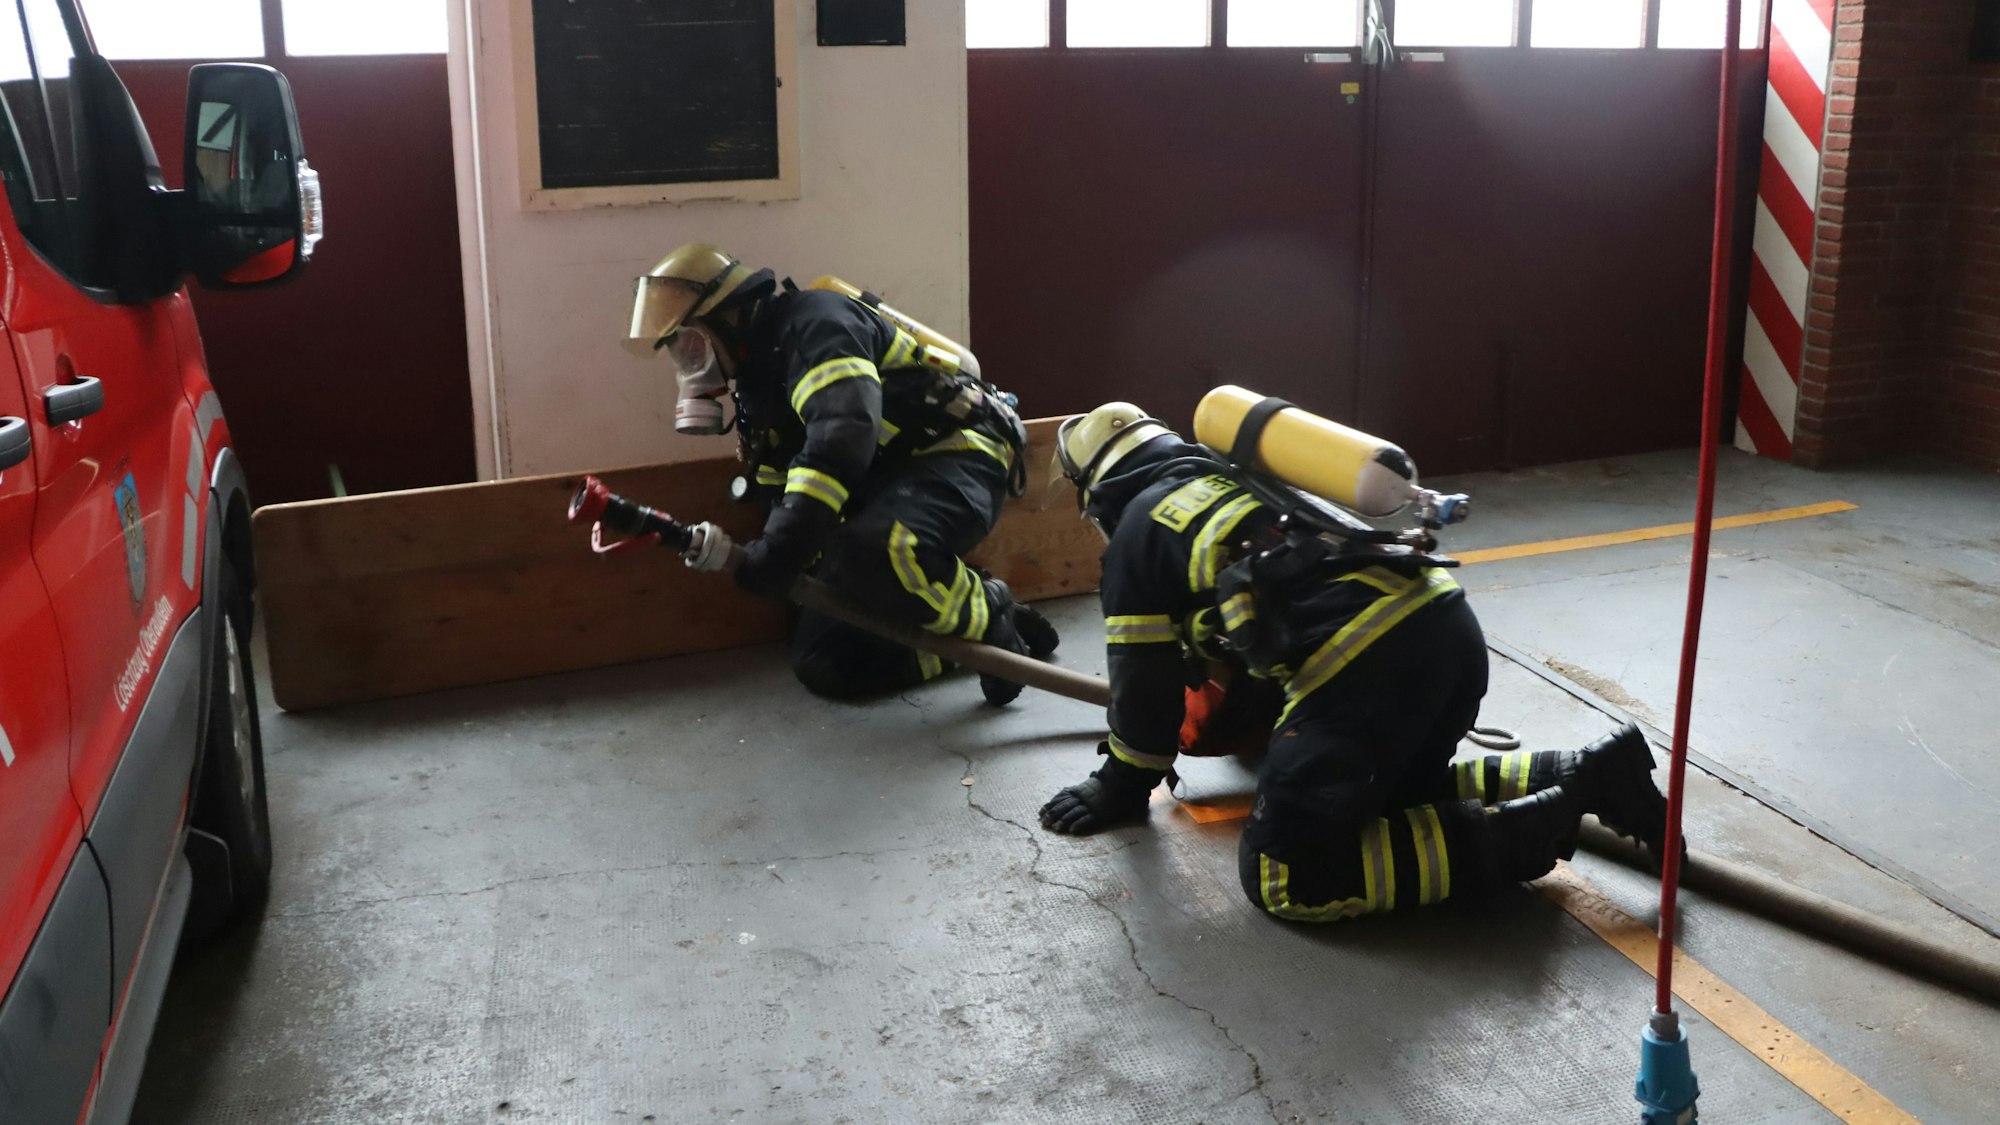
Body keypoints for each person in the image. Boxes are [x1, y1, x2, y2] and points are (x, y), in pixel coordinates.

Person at [1037, 402, 1670, 921]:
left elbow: (1144, 689)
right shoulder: (1244, 481)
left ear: (1101, 492)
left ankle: (1535, 830)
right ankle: (1588, 768)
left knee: (1290, 875)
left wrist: (1121, 785)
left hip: (1367, 666)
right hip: (1446, 625)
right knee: (1392, 799)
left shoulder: (1140, 533)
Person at [624, 244, 1057, 704]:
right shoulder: (756, 384)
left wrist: (781, 547)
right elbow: (783, 484)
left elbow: (843, 431)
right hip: (882, 484)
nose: (689, 364)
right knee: (828, 662)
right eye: (680, 352)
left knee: (876, 548)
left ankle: (987, 609)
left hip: (955, 451)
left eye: (691, 345)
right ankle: (979, 642)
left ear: (729, 316)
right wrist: (787, 561)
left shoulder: (820, 323)